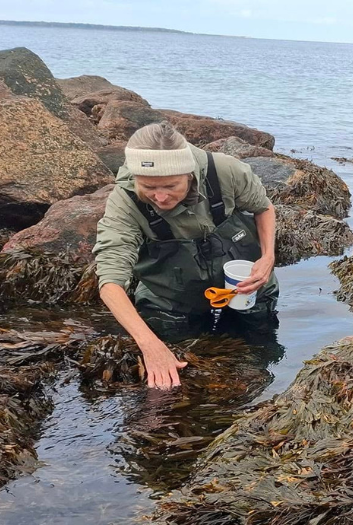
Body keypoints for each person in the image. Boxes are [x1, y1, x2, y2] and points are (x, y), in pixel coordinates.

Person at [93, 122, 279, 390]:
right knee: (181, 378)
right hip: (172, 297)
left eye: (170, 186)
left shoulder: (225, 171)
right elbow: (110, 282)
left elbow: (263, 207)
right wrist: (150, 345)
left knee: (258, 349)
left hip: (245, 286)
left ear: (190, 174)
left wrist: (268, 257)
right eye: (147, 186)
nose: (159, 197)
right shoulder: (124, 202)